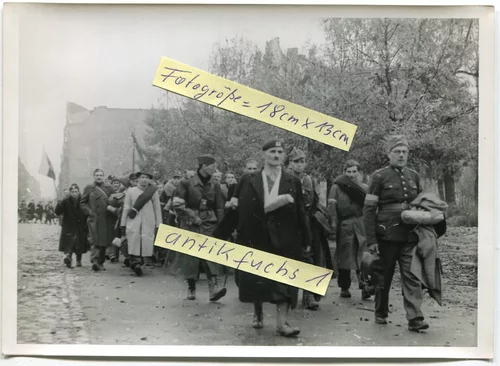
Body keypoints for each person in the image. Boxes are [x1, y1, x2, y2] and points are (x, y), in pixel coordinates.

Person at [216, 140, 310, 337]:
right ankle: (258, 313)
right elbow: (237, 210)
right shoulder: (248, 180)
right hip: (255, 237)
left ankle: (282, 323)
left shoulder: (292, 181)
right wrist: (220, 235)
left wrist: (306, 239)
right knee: (257, 279)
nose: (276, 155)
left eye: (280, 152)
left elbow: (300, 211)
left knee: (285, 281)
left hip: (285, 237)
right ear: (264, 155)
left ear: (284, 156)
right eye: (272, 152)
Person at [363, 135, 428, 332]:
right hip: (386, 236)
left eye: (404, 152)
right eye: (397, 152)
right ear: (388, 154)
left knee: (412, 276)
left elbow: (422, 204)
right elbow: (368, 210)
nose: (401, 155)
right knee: (384, 276)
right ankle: (381, 312)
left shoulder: (414, 176)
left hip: (409, 236)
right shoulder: (379, 177)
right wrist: (371, 239)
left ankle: (415, 317)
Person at [170, 154, 227, 302]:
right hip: (190, 223)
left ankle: (213, 289)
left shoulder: (215, 185)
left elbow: (219, 207)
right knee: (190, 256)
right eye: (213, 167)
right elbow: (177, 204)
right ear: (203, 167)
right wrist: (192, 217)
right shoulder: (185, 182)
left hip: (209, 222)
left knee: (210, 255)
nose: (215, 170)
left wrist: (222, 227)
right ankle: (191, 287)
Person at [328, 159, 370, 299]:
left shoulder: (364, 188)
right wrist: (333, 228)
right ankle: (344, 287)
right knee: (344, 256)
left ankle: (364, 285)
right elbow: (332, 209)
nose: (352, 175)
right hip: (344, 225)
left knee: (362, 255)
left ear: (359, 172)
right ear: (344, 172)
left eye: (354, 172)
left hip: (360, 224)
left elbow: (370, 209)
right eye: (349, 172)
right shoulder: (337, 188)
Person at [120, 172, 162, 276]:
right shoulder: (131, 191)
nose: (144, 180)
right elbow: (126, 207)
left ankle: (139, 262)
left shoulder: (153, 192)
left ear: (150, 180)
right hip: (134, 220)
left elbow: (157, 209)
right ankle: (135, 262)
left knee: (145, 242)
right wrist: (123, 223)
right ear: (138, 179)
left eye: (147, 178)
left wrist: (158, 224)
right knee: (134, 240)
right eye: (142, 177)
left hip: (148, 220)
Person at [81, 168, 115, 272]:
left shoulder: (109, 188)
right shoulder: (89, 188)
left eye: (101, 175)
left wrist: (111, 207)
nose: (99, 177)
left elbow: (114, 201)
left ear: (103, 176)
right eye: (97, 175)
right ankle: (94, 261)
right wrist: (89, 211)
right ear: (94, 176)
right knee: (94, 239)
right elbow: (83, 203)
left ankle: (101, 262)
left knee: (103, 241)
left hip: (106, 218)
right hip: (93, 218)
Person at [55, 184, 89, 268]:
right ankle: (68, 258)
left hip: (80, 225)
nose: (74, 193)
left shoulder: (83, 200)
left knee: (79, 244)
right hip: (68, 225)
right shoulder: (65, 201)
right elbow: (57, 212)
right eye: (72, 192)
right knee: (69, 244)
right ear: (70, 192)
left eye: (76, 191)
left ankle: (78, 260)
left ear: (79, 192)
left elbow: (86, 211)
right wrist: (59, 203)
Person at [106, 177, 126, 263]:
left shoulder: (123, 193)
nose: (116, 185)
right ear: (111, 184)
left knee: (118, 234)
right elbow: (105, 204)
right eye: (114, 183)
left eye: (118, 183)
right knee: (111, 235)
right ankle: (111, 254)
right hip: (110, 217)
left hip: (120, 216)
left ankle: (116, 255)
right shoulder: (108, 193)